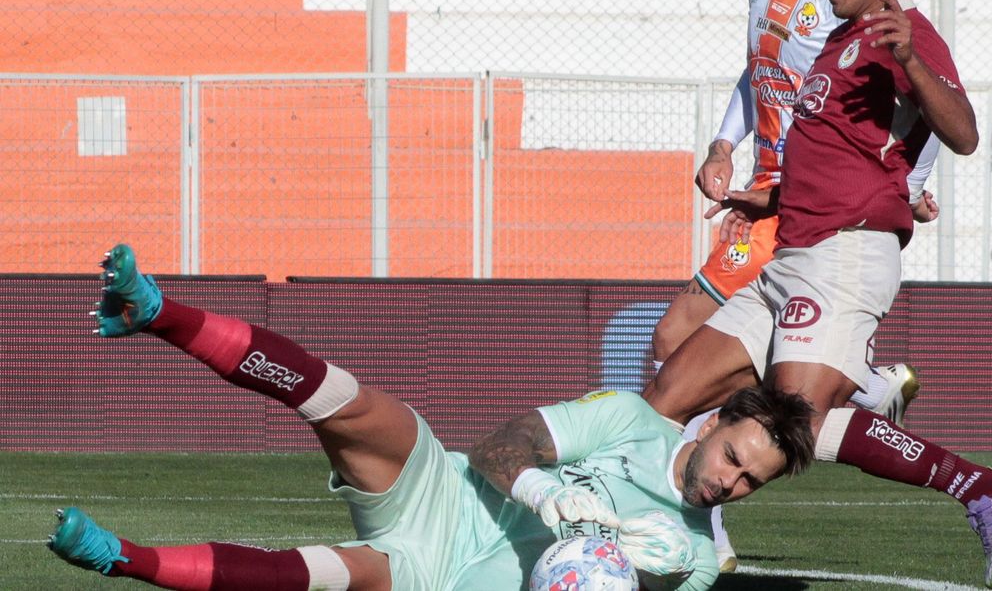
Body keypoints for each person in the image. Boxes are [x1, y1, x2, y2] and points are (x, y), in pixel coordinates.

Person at [643, 0, 992, 589]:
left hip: (843, 257)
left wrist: (915, 61)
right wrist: (758, 197)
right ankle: (677, 511)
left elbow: (966, 134)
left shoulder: (903, 37)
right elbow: (834, 155)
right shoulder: (838, 39)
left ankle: (980, 488)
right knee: (669, 395)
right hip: (790, 250)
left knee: (789, 423)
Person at [47, 244, 815, 591]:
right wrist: (550, 496)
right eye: (735, 456)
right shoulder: (628, 420)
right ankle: (159, 313)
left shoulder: (691, 560)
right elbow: (497, 447)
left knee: (307, 574)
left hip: (439, 579)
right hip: (447, 495)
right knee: (345, 399)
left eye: (752, 482)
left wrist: (640, 572)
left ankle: (122, 560)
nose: (732, 482)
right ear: (714, 424)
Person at [648, 0, 925, 571]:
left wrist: (914, 182)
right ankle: (868, 387)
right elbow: (758, 67)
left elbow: (906, 99)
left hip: (802, 208)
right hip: (765, 191)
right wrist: (722, 144)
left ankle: (705, 519)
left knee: (705, 350)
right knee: (689, 349)